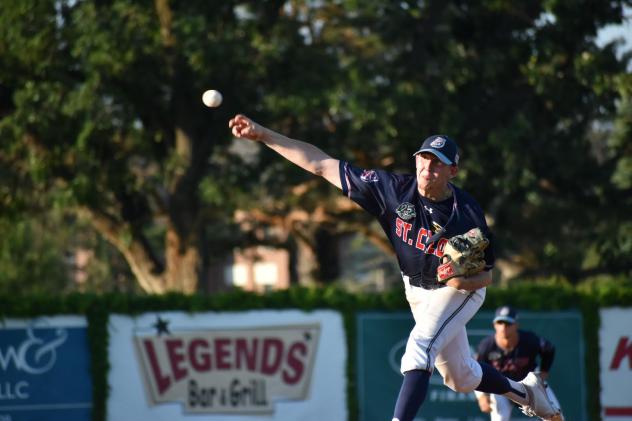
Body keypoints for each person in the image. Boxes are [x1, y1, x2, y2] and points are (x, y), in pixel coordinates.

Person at [228, 114, 561, 421]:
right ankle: (526, 391)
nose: (427, 169)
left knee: (418, 349)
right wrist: (263, 135)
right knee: (461, 377)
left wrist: (459, 279)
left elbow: (486, 275)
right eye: (424, 159)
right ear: (415, 160)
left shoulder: (466, 214)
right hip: (415, 288)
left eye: (437, 164)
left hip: (458, 291)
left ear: (452, 171)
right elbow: (320, 165)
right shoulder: (390, 190)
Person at [475, 306, 565, 421]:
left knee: (556, 416)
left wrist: (544, 371)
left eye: (508, 323)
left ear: (516, 325)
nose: (503, 327)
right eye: (500, 322)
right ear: (494, 325)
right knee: (499, 418)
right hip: (501, 387)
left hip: (530, 385)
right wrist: (481, 397)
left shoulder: (529, 340)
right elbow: (476, 370)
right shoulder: (486, 346)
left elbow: (549, 349)